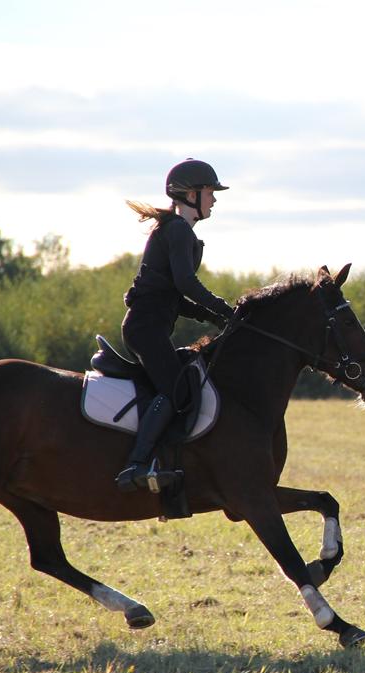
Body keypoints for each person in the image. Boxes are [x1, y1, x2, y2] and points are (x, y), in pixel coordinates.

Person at [115, 158, 236, 492]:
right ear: (191, 194)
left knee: (178, 385)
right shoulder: (178, 230)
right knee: (175, 390)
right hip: (145, 329)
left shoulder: (178, 231)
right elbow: (186, 284)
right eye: (210, 192)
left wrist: (215, 317)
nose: (214, 199)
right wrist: (224, 309)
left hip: (148, 326)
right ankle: (137, 465)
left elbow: (176, 298)